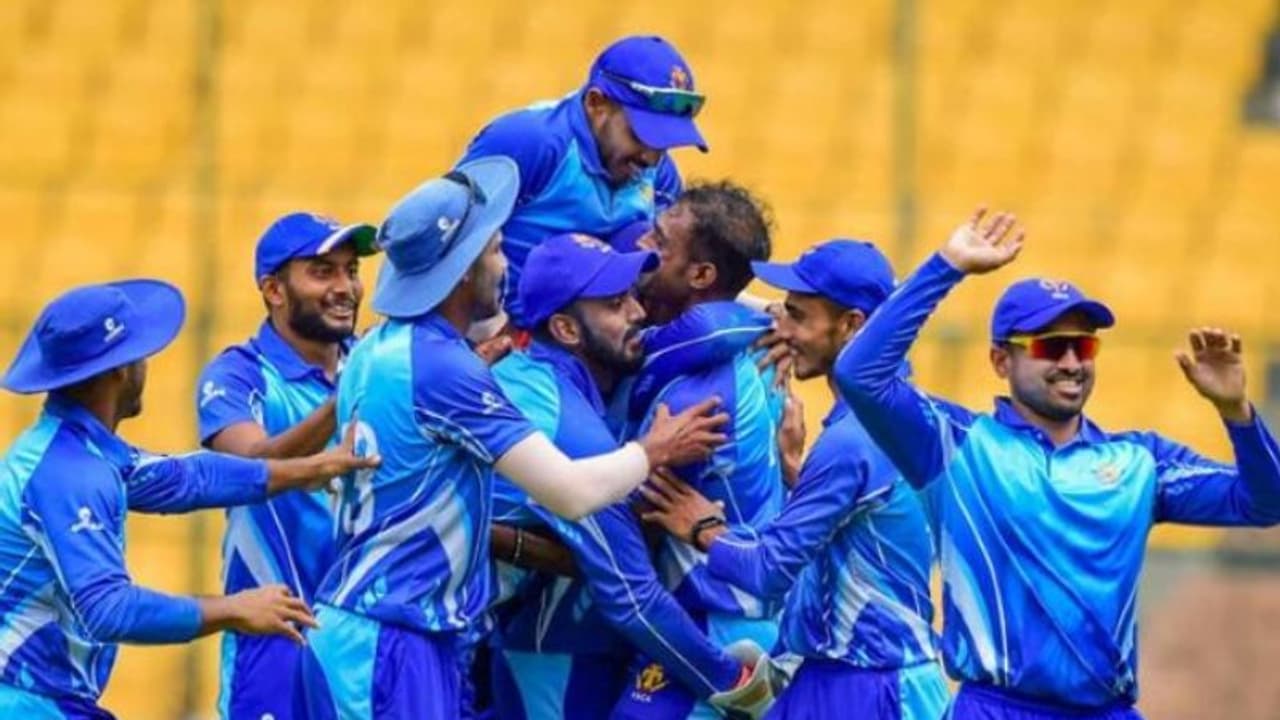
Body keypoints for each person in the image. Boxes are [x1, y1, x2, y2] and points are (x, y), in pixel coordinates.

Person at [294, 157, 731, 719]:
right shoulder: (448, 368)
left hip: (373, 627)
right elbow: (572, 493)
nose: (505, 265)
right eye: (496, 250)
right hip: (393, 639)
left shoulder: (378, 348)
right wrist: (653, 451)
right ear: (462, 271)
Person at [835, 209, 1280, 719]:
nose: (1071, 362)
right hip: (997, 709)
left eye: (1083, 345)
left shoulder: (1140, 462)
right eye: (1051, 347)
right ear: (1001, 361)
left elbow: (1265, 503)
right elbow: (859, 373)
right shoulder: (955, 445)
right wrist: (947, 266)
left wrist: (1237, 413)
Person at [0, 279, 379, 719]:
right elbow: (108, 609)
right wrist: (234, 609)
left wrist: (310, 468)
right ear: (119, 370)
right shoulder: (70, 473)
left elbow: (189, 479)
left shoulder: (81, 450)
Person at [641, 240, 949, 720]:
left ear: (852, 325)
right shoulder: (900, 415)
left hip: (872, 688)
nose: (781, 329)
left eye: (797, 315)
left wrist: (703, 529)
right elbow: (861, 537)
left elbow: (768, 572)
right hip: (849, 674)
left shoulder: (853, 440)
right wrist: (796, 475)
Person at [487, 233, 778, 720]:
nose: (639, 312)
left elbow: (710, 324)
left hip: (534, 640)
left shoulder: (554, 377)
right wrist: (736, 683)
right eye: (614, 304)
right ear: (566, 328)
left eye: (632, 296)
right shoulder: (567, 426)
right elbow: (632, 597)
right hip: (547, 652)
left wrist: (777, 318)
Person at [610, 180, 784, 720]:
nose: (642, 245)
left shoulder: (696, 397)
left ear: (701, 275)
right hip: (726, 613)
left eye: (659, 241)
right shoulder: (743, 354)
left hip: (717, 624)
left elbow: (611, 514)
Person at [195, 212, 377, 720]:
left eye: (351, 270)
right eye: (322, 272)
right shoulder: (239, 374)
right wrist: (346, 400)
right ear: (274, 290)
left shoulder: (372, 362)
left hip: (368, 638)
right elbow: (250, 465)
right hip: (277, 635)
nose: (345, 288)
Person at [457, 34, 706, 329]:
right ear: (596, 104)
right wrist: (493, 333)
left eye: (665, 143)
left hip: (585, 343)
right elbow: (450, 241)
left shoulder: (661, 175)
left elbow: (682, 272)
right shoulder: (528, 142)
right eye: (641, 136)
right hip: (493, 333)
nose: (651, 159)